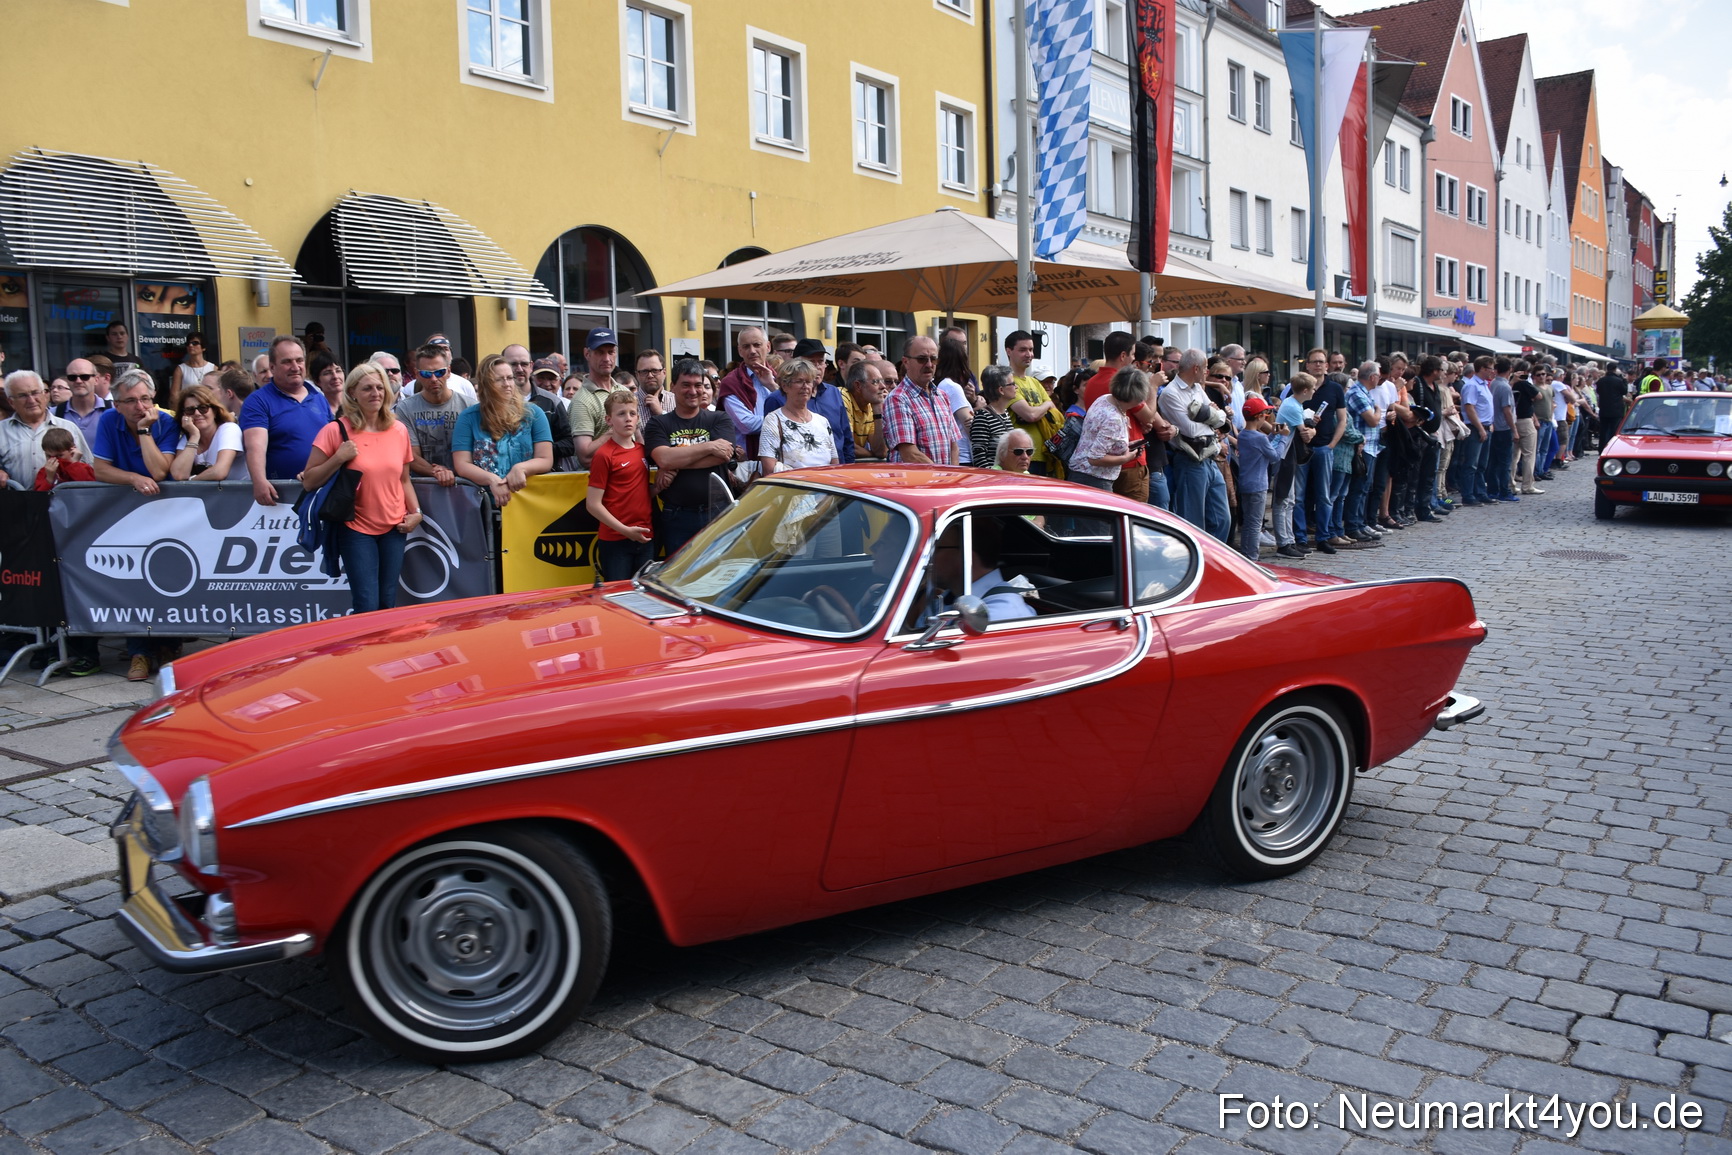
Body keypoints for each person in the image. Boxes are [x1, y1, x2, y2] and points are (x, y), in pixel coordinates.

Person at [304, 363, 420, 615]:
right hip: (355, 529)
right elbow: (309, 480)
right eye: (367, 388)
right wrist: (338, 458)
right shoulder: (335, 430)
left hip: (394, 527)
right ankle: (366, 653)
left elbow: (404, 480)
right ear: (353, 393)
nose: (375, 393)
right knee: (366, 604)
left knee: (387, 601)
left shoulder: (398, 430)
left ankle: (385, 653)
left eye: (380, 387)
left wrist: (416, 512)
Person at [647, 360, 737, 553]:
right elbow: (664, 459)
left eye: (698, 385)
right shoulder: (658, 424)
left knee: (716, 575)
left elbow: (723, 456)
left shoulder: (719, 418)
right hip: (678, 516)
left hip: (718, 512)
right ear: (672, 387)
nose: (693, 391)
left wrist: (676, 460)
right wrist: (710, 446)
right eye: (686, 384)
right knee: (678, 578)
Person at [453, 354, 553, 508]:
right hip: (484, 504)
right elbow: (462, 464)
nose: (507, 384)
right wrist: (491, 479)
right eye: (499, 379)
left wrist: (521, 468)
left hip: (529, 501)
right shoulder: (468, 417)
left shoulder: (534, 413)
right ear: (486, 384)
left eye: (510, 378)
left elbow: (545, 458)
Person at [242, 336, 329, 506]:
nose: (295, 367)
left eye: (299, 360)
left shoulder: (319, 398)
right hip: (280, 499)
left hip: (321, 492)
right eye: (287, 362)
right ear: (272, 368)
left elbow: (331, 442)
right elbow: (255, 446)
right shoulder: (258, 401)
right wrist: (259, 481)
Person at [1158, 349, 1231, 542]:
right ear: (1196, 368)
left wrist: (1210, 417)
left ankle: (1214, 561)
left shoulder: (1197, 388)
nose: (1207, 372)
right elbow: (1191, 430)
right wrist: (1211, 419)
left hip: (1209, 457)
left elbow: (1222, 417)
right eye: (1206, 367)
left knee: (1222, 518)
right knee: (1193, 521)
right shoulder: (1170, 393)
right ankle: (1198, 562)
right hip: (1190, 459)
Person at [586, 391, 655, 580]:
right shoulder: (604, 455)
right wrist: (625, 530)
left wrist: (659, 487)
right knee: (617, 595)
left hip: (645, 536)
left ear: (638, 418)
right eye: (621, 414)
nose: (628, 419)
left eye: (632, 414)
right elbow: (593, 504)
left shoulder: (642, 450)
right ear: (608, 420)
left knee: (645, 597)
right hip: (616, 540)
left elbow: (639, 491)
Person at [928, 517, 1035, 623]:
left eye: (937, 548)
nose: (928, 557)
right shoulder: (949, 596)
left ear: (967, 558)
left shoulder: (1001, 614)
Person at [0, 371, 92, 487]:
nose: (31, 400)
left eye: (35, 393)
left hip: (63, 502)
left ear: (45, 394)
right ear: (11, 402)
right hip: (15, 502)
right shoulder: (1, 431)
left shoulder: (68, 427)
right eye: (23, 395)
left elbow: (90, 470)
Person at [395, 342, 467, 487]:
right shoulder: (405, 408)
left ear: (448, 371)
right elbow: (410, 454)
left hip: (465, 486)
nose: (433, 379)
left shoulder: (468, 405)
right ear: (417, 375)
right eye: (426, 374)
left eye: (439, 372)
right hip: (424, 488)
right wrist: (437, 472)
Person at [1067, 367, 1149, 492]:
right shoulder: (1114, 419)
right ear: (1136, 396)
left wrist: (1126, 446)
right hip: (1095, 480)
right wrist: (1126, 458)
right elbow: (1095, 458)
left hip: (1080, 472)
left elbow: (1097, 438)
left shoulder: (1104, 399)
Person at [883, 336, 958, 465]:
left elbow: (953, 446)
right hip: (915, 482)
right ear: (906, 362)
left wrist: (952, 477)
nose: (929, 365)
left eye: (933, 359)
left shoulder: (942, 396)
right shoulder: (898, 399)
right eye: (921, 359)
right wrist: (942, 476)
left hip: (944, 481)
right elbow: (910, 454)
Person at [759, 359, 839, 475]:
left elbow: (835, 464)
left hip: (825, 489)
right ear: (785, 386)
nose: (805, 386)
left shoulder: (822, 421)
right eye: (799, 381)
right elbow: (769, 469)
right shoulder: (773, 420)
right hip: (792, 490)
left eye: (809, 381)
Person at [716, 326, 779, 466]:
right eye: (746, 346)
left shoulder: (779, 377)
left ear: (768, 346)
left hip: (781, 457)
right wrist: (783, 421)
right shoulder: (731, 382)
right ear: (740, 351)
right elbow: (747, 424)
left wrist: (773, 386)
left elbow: (795, 410)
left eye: (757, 345)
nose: (752, 351)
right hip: (747, 462)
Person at [1270, 373, 1317, 558]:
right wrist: (1312, 428)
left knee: (1289, 500)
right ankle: (1283, 543)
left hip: (1286, 453)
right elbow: (1304, 433)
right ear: (1305, 390)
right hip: (1282, 455)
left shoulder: (1293, 403)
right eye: (1312, 389)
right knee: (1283, 500)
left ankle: (1289, 540)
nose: (1314, 391)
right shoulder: (1293, 407)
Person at [1004, 330, 1061, 475]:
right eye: (1023, 350)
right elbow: (1030, 415)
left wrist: (1043, 407)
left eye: (1031, 349)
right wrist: (1045, 405)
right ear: (1009, 351)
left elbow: (1054, 412)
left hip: (1044, 456)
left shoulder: (1034, 382)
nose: (1029, 354)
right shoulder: (1007, 382)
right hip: (1019, 457)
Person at [792, 338, 854, 463]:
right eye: (811, 362)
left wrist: (848, 467)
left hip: (838, 471)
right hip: (802, 473)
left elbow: (846, 437)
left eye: (820, 361)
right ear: (796, 365)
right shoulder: (781, 397)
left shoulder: (834, 393)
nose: (817, 367)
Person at [168, 385, 247, 481]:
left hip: (240, 493)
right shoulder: (188, 437)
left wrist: (191, 482)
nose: (197, 413)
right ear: (184, 415)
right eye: (190, 410)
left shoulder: (229, 429)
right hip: (214, 494)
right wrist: (194, 436)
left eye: (203, 408)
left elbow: (219, 472)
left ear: (214, 411)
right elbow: (179, 474)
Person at [568, 329, 624, 468]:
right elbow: (585, 457)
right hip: (600, 482)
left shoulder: (624, 391)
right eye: (600, 352)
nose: (606, 359)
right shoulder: (581, 401)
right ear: (587, 354)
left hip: (630, 477)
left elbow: (637, 438)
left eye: (610, 352)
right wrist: (615, 431)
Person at [1235, 396, 1281, 560]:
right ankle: (1252, 556)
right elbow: (1274, 456)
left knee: (1248, 522)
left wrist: (1273, 436)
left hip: (1245, 483)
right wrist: (1282, 437)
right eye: (1265, 415)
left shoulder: (1243, 435)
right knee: (1255, 524)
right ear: (1259, 416)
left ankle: (1246, 554)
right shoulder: (1259, 438)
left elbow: (1261, 447)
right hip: (1258, 485)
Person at [934, 339, 976, 465]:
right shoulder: (952, 387)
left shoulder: (939, 385)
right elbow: (968, 423)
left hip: (952, 454)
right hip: (963, 455)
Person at [53, 358, 111, 445]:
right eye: (72, 377)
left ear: (96, 379)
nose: (78, 381)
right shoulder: (54, 414)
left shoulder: (113, 410)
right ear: (67, 381)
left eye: (85, 377)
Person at [970, 365, 1018, 467]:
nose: (1016, 387)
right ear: (1001, 390)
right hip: (994, 478)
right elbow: (979, 456)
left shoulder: (1005, 414)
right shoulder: (983, 417)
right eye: (1013, 384)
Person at [842, 358, 890, 460]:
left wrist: (878, 409)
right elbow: (847, 446)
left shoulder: (870, 405)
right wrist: (872, 454)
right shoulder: (842, 397)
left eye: (882, 381)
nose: (883, 386)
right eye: (876, 382)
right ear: (858, 386)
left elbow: (881, 451)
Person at [30, 427, 95, 490]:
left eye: (59, 455)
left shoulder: (83, 468)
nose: (54, 460)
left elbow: (88, 487)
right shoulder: (44, 472)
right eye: (49, 456)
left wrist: (74, 464)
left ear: (72, 450)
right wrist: (49, 478)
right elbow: (39, 496)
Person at [170, 332, 218, 402]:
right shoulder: (181, 369)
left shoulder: (213, 368)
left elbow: (219, 393)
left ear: (203, 347)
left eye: (195, 343)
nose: (190, 345)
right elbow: (174, 395)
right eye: (188, 344)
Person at [632, 349, 673, 418]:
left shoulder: (677, 401)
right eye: (644, 371)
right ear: (637, 375)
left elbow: (684, 427)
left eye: (655, 370)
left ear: (664, 372)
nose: (650, 375)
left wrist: (661, 413)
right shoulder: (628, 403)